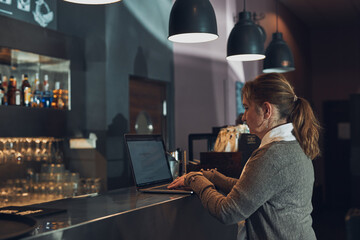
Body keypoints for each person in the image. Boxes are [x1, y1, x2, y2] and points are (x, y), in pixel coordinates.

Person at [168, 73, 320, 240]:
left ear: (267, 110)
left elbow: (227, 212)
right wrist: (213, 177)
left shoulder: (271, 156)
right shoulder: (293, 144)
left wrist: (194, 179)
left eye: (247, 108)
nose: (243, 116)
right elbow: (254, 189)